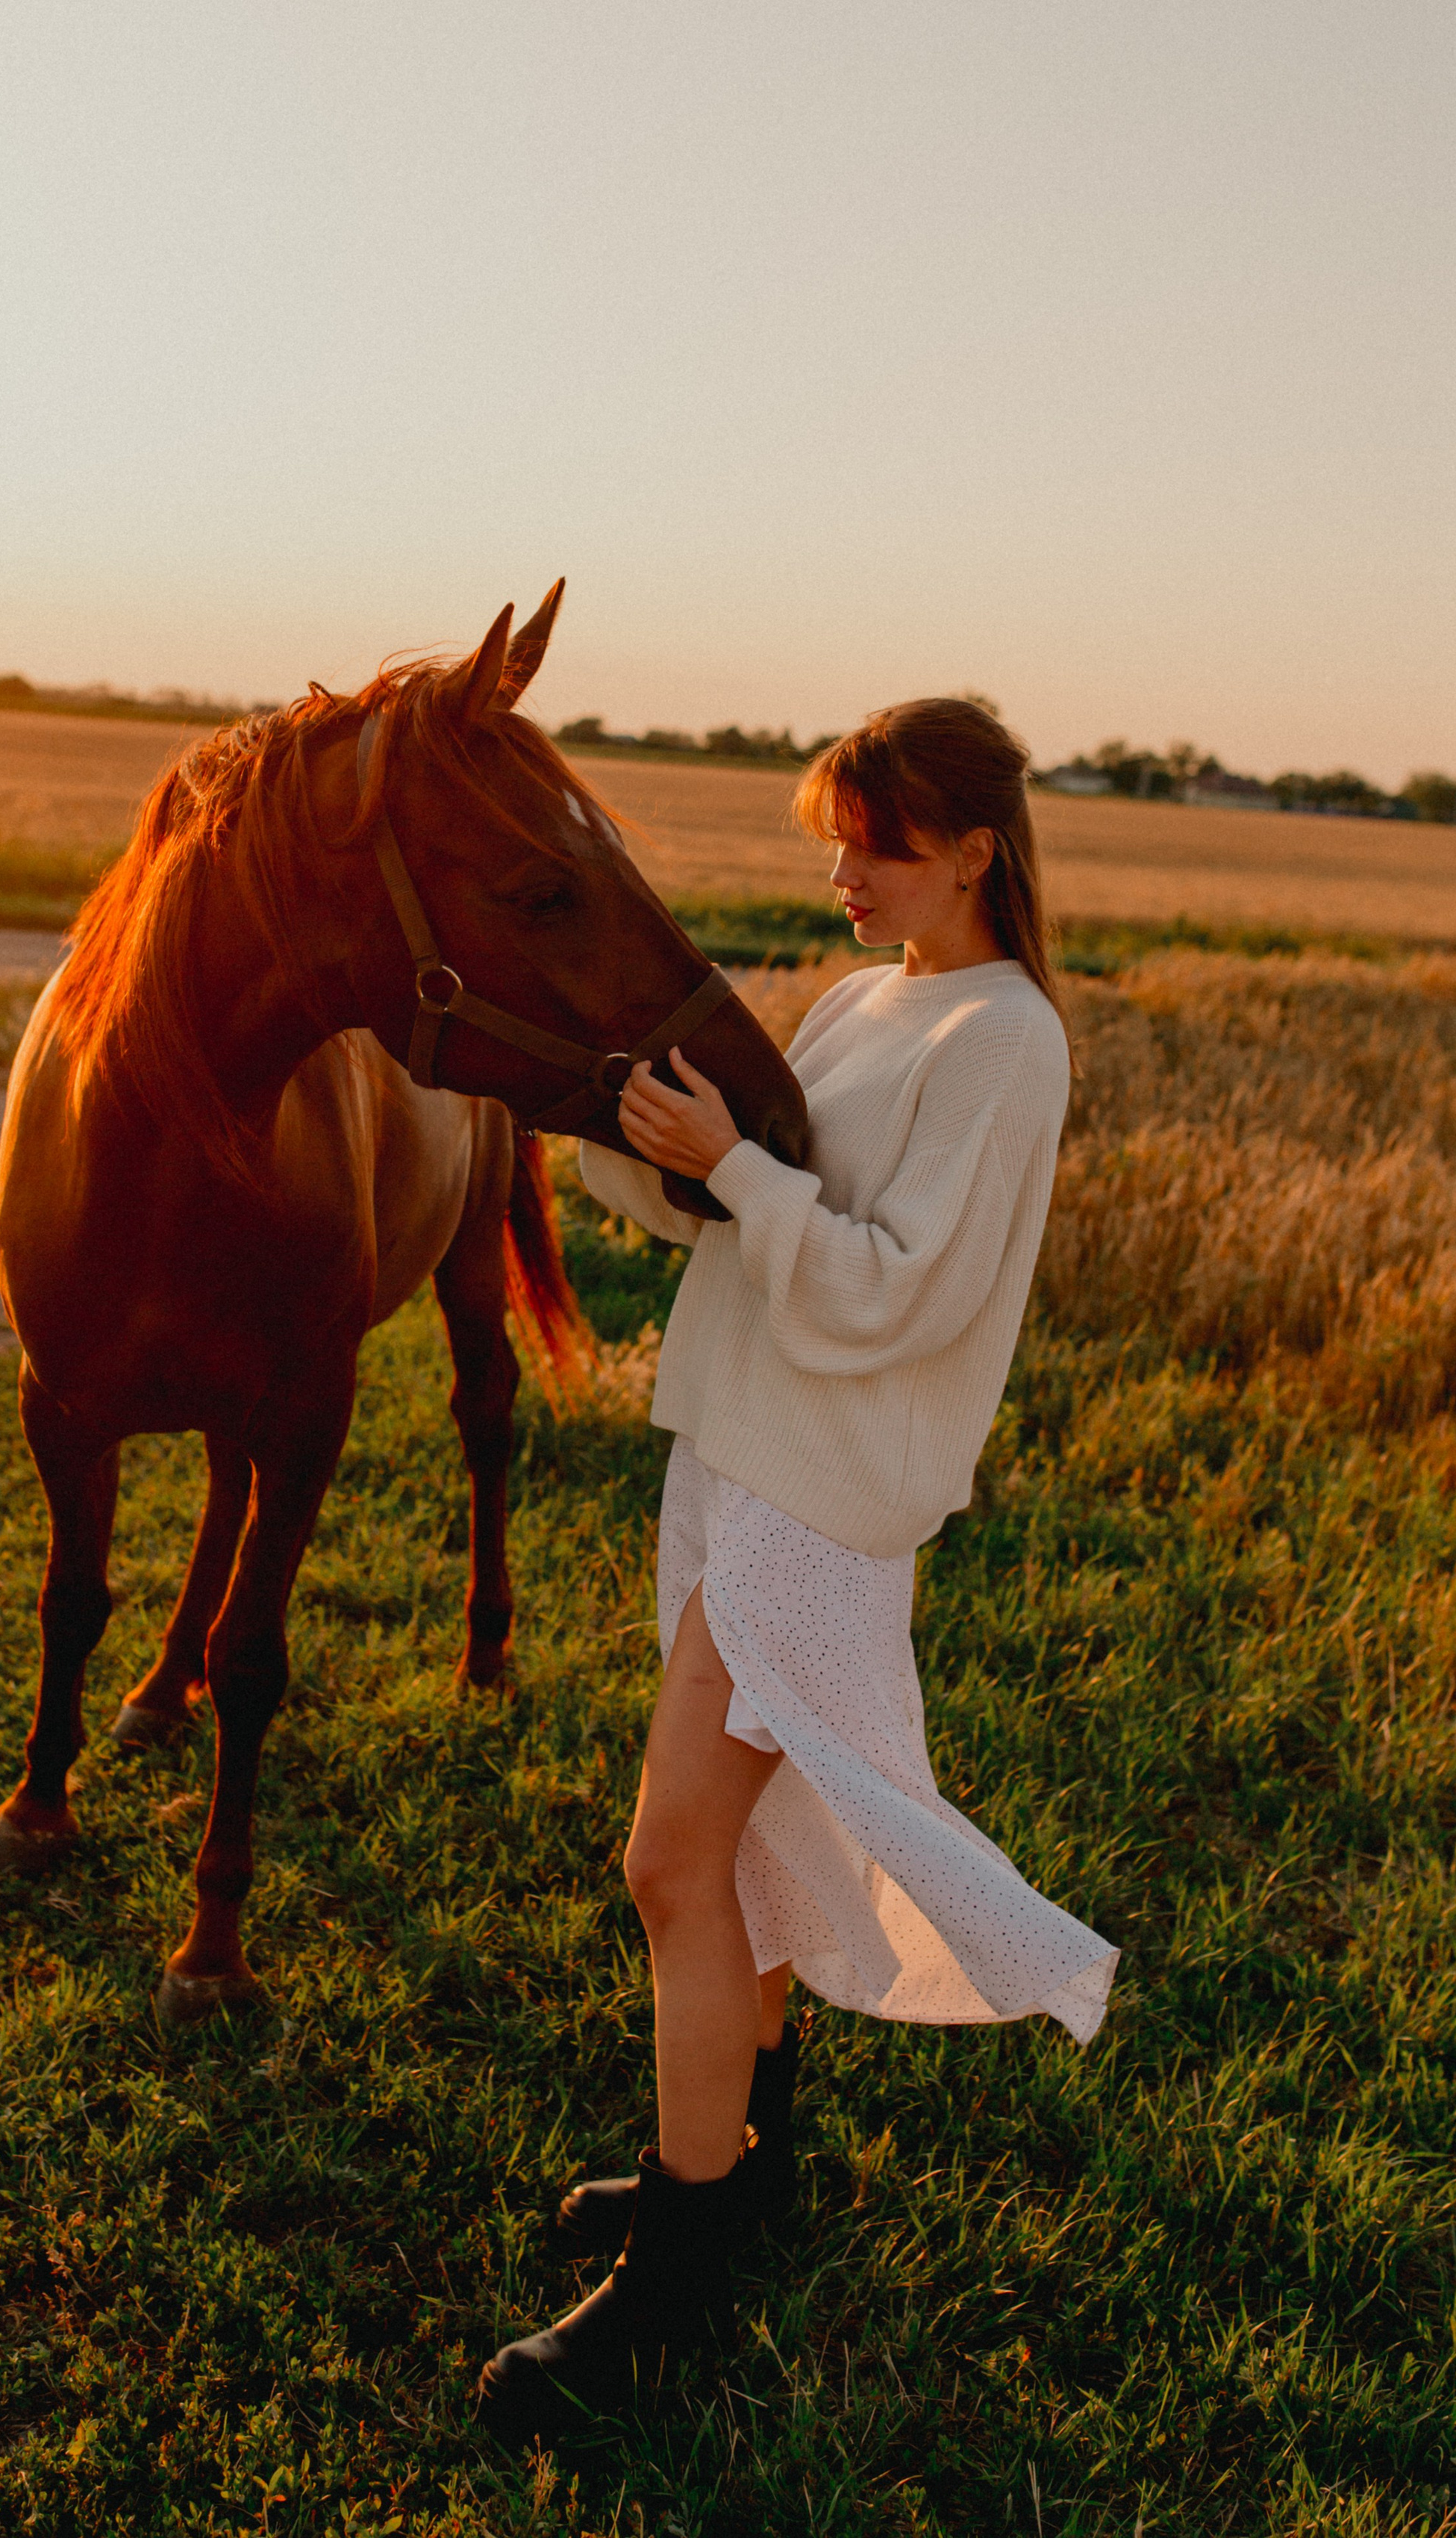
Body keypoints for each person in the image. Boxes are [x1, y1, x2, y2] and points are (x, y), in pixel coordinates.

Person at [478, 697, 1118, 2441]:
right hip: (735, 1454)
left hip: (817, 1499)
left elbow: (888, 1284)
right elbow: (732, 1212)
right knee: (743, 1859)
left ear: (974, 848)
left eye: (877, 841)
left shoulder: (1004, 1039)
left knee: (670, 1862)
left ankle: (671, 2283)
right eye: (831, 835)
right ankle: (738, 2182)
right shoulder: (865, 1001)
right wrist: (604, 1121)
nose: (840, 870)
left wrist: (740, 1174)